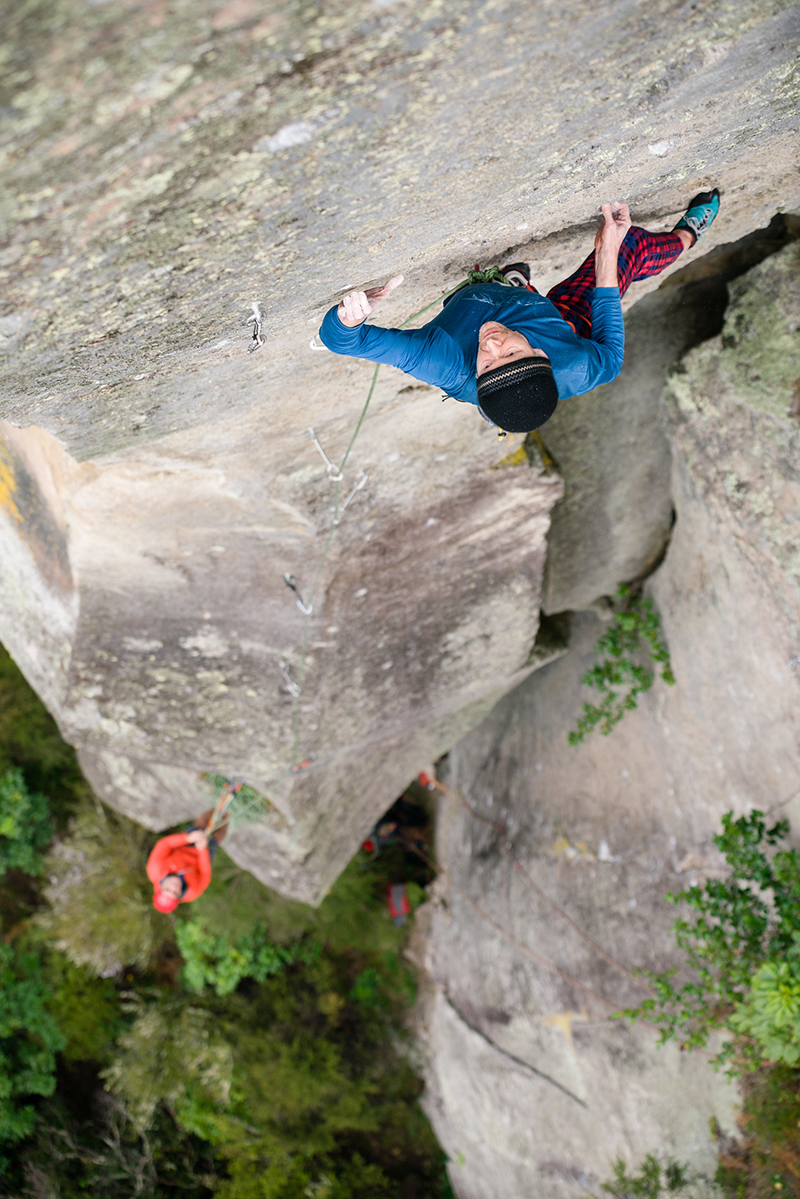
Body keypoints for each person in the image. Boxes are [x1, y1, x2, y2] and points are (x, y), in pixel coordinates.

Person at [318, 190, 720, 434]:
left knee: (499, 298)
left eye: (487, 365)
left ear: (475, 379)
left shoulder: (442, 362)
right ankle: (688, 236)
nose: (492, 346)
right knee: (629, 249)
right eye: (510, 354)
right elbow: (612, 352)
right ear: (543, 355)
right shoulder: (579, 364)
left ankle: (513, 285)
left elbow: (343, 342)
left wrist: (348, 318)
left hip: (483, 305)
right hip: (559, 318)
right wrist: (608, 249)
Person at [147, 809, 228, 913]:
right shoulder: (192, 892)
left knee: (205, 821)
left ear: (160, 888)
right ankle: (230, 812)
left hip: (185, 843)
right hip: (202, 858)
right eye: (175, 893)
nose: (173, 887)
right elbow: (205, 874)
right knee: (218, 833)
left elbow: (164, 845)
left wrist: (188, 838)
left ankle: (223, 804)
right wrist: (203, 850)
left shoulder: (155, 870)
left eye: (167, 889)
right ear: (179, 897)